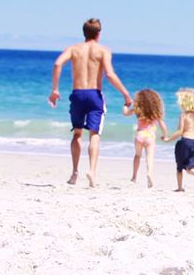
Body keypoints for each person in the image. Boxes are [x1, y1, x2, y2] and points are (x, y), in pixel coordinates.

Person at [48, 18, 132, 187]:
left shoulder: (73, 49)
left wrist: (55, 90)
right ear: (99, 33)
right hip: (94, 94)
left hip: (77, 94)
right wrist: (126, 94)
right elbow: (109, 75)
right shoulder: (103, 50)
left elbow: (57, 64)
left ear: (84, 32)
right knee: (94, 134)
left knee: (77, 133)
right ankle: (92, 172)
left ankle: (74, 173)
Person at [163, 88, 194, 192]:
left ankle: (180, 188)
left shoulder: (183, 115)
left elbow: (180, 132)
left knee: (180, 167)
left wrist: (168, 139)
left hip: (185, 143)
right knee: (190, 168)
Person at [123, 89, 167, 188]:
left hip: (140, 135)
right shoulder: (155, 112)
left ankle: (134, 177)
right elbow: (162, 125)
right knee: (149, 157)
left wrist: (126, 105)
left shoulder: (137, 109)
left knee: (137, 156)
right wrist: (165, 135)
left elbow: (125, 113)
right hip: (150, 137)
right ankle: (149, 174)